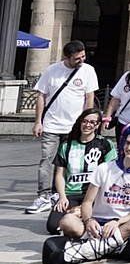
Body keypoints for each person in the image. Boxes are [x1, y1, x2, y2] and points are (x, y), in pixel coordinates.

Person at [42, 120, 130, 264]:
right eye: (127, 143)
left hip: (123, 225)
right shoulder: (104, 168)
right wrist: (89, 220)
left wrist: (117, 222)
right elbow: (87, 202)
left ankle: (84, 251)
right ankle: (112, 247)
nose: (129, 147)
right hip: (98, 224)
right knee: (67, 221)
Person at [29, 40, 99, 215]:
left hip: (74, 127)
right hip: (52, 124)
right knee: (47, 160)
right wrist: (38, 121)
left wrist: (88, 122)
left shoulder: (88, 71)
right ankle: (44, 195)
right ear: (67, 57)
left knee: (69, 163)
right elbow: (41, 96)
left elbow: (89, 98)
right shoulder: (52, 70)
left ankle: (59, 193)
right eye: (77, 58)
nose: (81, 60)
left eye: (83, 56)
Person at [47, 108, 115, 234]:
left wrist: (83, 207)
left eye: (92, 122)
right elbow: (59, 175)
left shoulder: (105, 144)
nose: (87, 125)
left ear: (98, 125)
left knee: (84, 214)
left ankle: (79, 216)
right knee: (52, 226)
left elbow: (110, 175)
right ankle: (77, 217)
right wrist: (62, 197)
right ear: (80, 122)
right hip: (71, 193)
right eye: (85, 121)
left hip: (94, 195)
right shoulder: (66, 146)